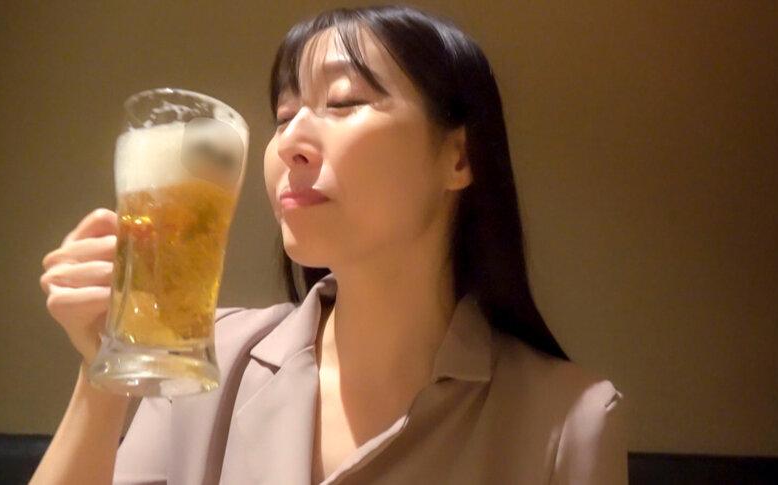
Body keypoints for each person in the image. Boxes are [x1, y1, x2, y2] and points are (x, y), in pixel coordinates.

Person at [32, 5, 626, 484]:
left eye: (343, 103)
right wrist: (104, 371)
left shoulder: (567, 420)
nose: (290, 141)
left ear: (459, 157)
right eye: (283, 114)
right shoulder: (207, 361)